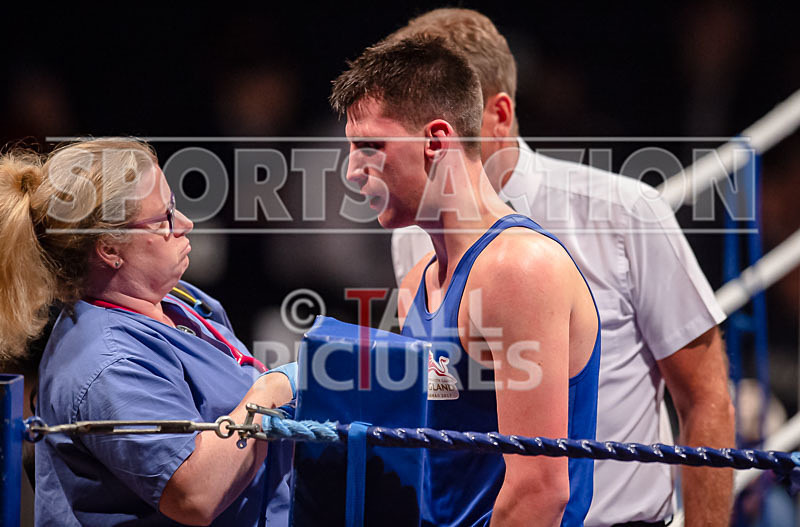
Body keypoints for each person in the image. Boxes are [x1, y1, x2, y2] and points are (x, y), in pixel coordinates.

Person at [386, 8, 735, 527]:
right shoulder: (414, 238)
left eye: (439, 120)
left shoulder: (625, 213)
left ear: (498, 115)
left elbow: (705, 397)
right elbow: (437, 400)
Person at [331, 36, 601, 527]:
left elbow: (539, 491)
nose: (352, 170)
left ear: (435, 141)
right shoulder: (418, 281)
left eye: (369, 146)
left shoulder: (520, 269)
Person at [0, 139, 295, 526]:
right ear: (109, 248)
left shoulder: (181, 299)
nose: (185, 224)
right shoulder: (108, 366)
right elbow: (196, 495)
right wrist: (270, 392)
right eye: (164, 218)